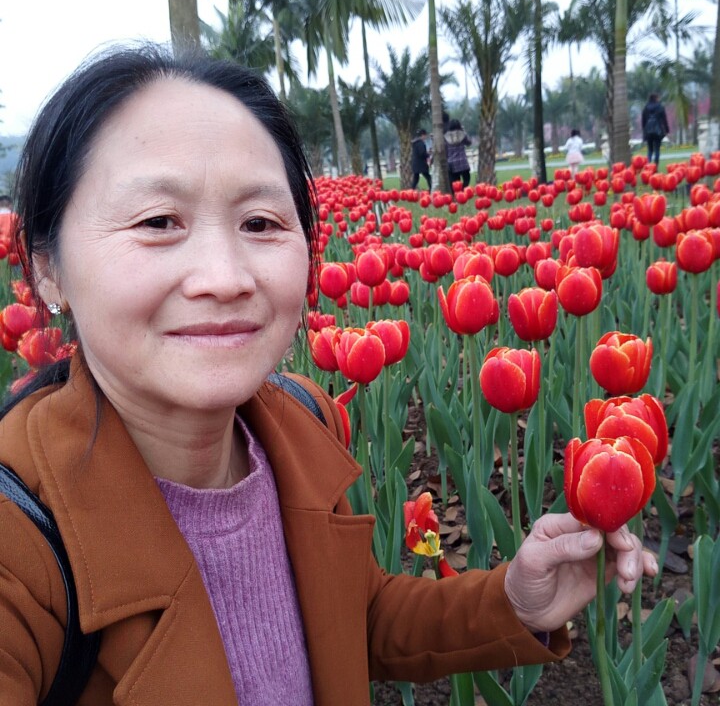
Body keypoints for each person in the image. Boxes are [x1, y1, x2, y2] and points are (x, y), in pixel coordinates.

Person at [0, 44, 655, 705]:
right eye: (158, 221)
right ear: (48, 268)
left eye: (260, 222)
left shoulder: (303, 421)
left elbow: (350, 619)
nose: (225, 277)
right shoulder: (19, 544)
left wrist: (513, 600)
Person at [642, 94, 670, 166]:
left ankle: (648, 166)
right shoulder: (660, 107)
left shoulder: (645, 107)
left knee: (650, 150)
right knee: (657, 149)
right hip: (658, 131)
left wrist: (644, 132)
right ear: (656, 98)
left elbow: (643, 121)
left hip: (648, 131)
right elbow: (664, 119)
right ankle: (655, 166)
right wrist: (667, 129)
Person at [445, 118, 472, 188]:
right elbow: (469, 143)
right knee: (467, 179)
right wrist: (464, 131)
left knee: (455, 183)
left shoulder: (445, 137)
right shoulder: (462, 135)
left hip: (451, 163)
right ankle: (464, 190)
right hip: (462, 162)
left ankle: (458, 192)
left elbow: (445, 150)